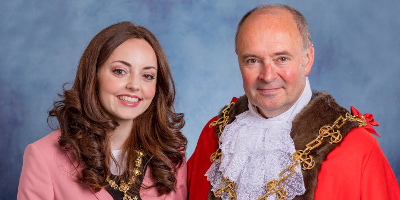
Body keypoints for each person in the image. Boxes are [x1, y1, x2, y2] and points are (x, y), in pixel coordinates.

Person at [187, 4, 400, 200]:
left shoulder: (357, 148)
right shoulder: (214, 134)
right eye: (252, 60)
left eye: (282, 58)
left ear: (307, 59)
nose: (268, 76)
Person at [17, 21, 187, 200]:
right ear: (93, 76)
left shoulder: (171, 155)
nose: (135, 85)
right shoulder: (43, 157)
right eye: (120, 71)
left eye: (147, 76)